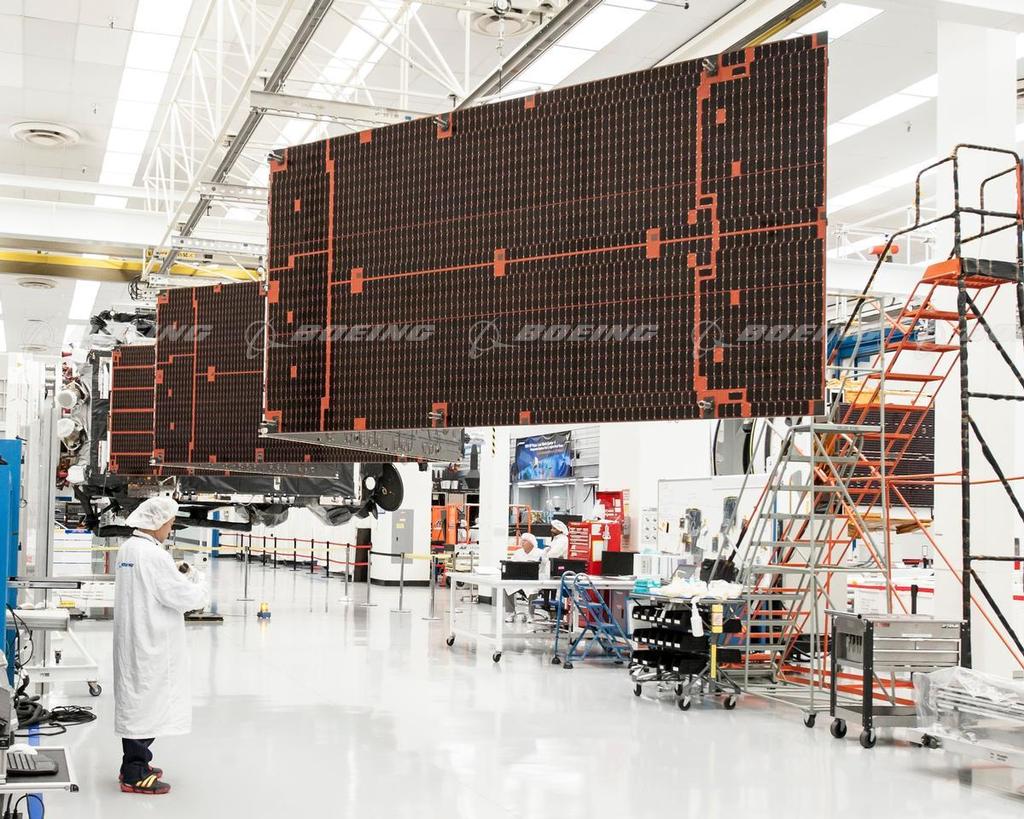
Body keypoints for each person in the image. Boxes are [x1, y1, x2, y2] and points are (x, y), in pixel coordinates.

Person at [113, 497, 209, 796]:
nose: (170, 529)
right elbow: (183, 598)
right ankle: (135, 772)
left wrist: (177, 575)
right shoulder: (153, 555)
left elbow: (154, 584)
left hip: (135, 638)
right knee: (147, 704)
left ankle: (133, 763)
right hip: (151, 641)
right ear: (156, 523)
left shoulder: (130, 548)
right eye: (169, 524)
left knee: (138, 699)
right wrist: (199, 583)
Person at [505, 533, 541, 619]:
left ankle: (531, 614)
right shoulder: (518, 553)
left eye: (525, 541)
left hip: (534, 580)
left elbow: (543, 568)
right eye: (522, 540)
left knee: (532, 589)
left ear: (531, 543)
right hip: (520, 579)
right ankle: (510, 612)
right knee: (507, 586)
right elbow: (511, 565)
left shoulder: (540, 553)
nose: (522, 542)